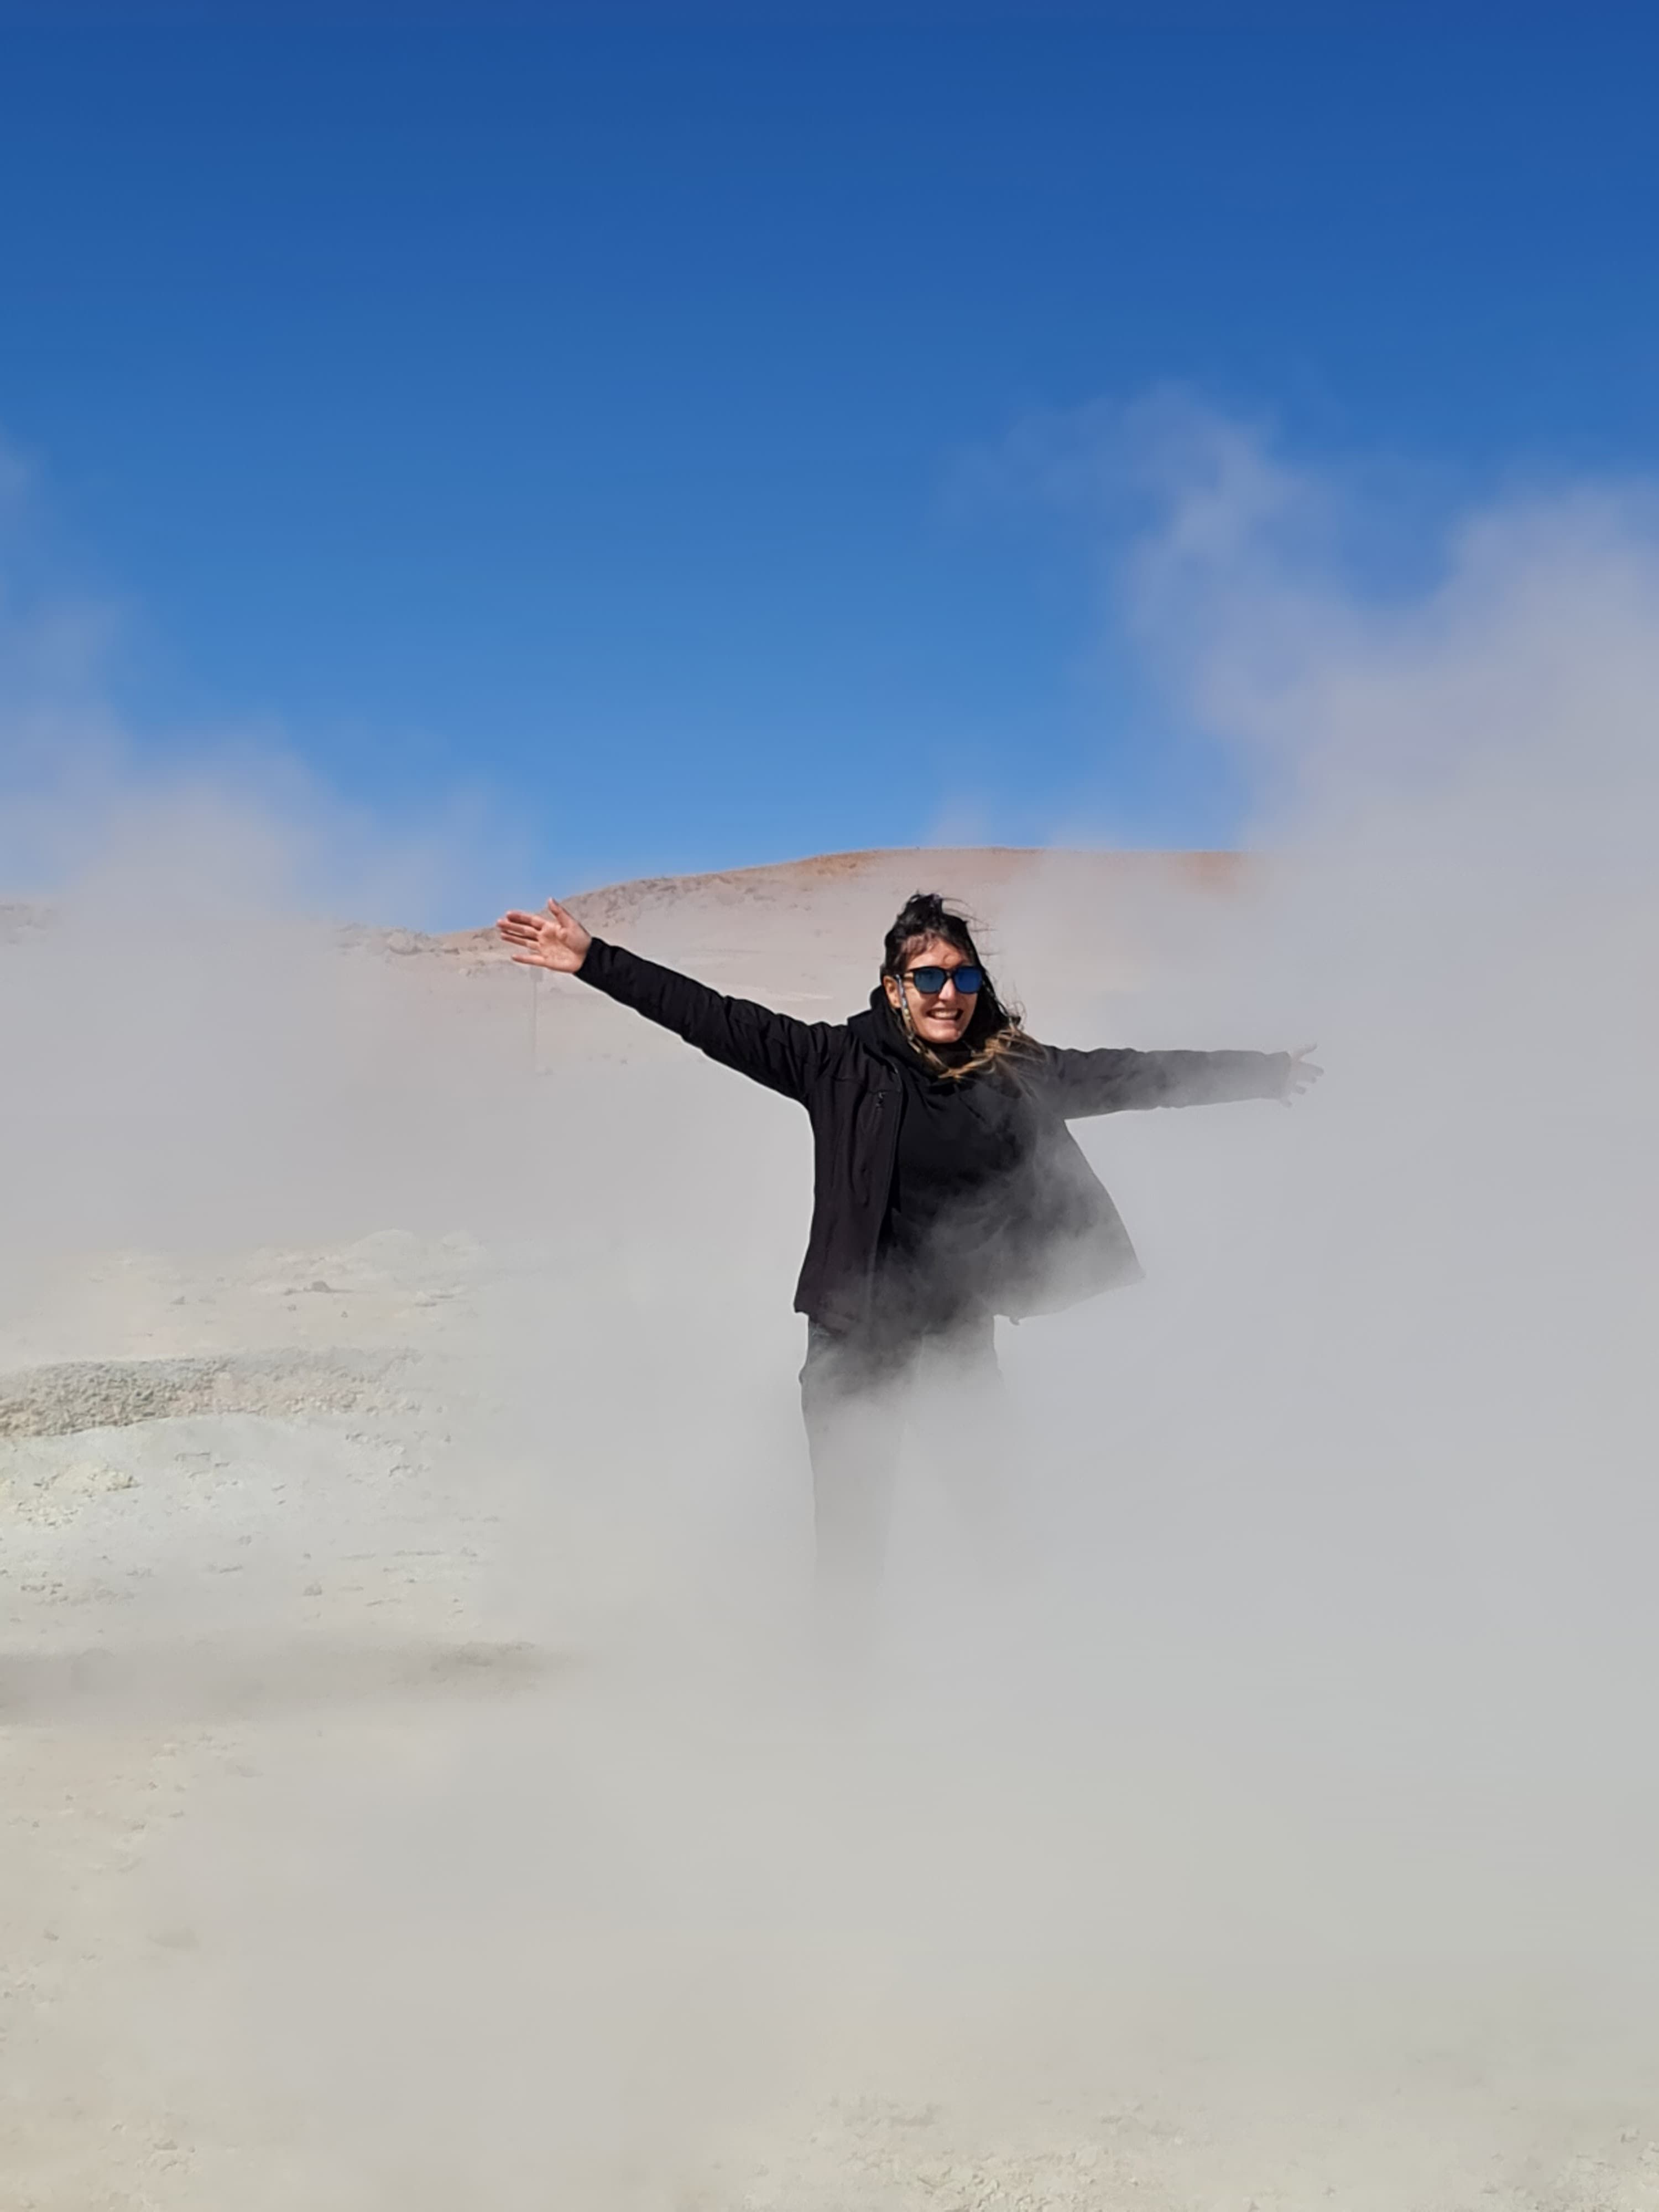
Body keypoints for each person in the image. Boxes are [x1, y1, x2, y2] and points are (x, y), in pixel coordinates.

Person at [497, 889, 1320, 1606]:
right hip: (852, 1343)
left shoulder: (1014, 1071)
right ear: (895, 988)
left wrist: (1266, 1073)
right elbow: (711, 1016)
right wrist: (594, 960)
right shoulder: (835, 1063)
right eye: (928, 978)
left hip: (957, 1340)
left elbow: (1130, 1075)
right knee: (852, 1545)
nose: (948, 995)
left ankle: (1031, 1689)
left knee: (1000, 1524)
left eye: (963, 978)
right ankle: (841, 1709)